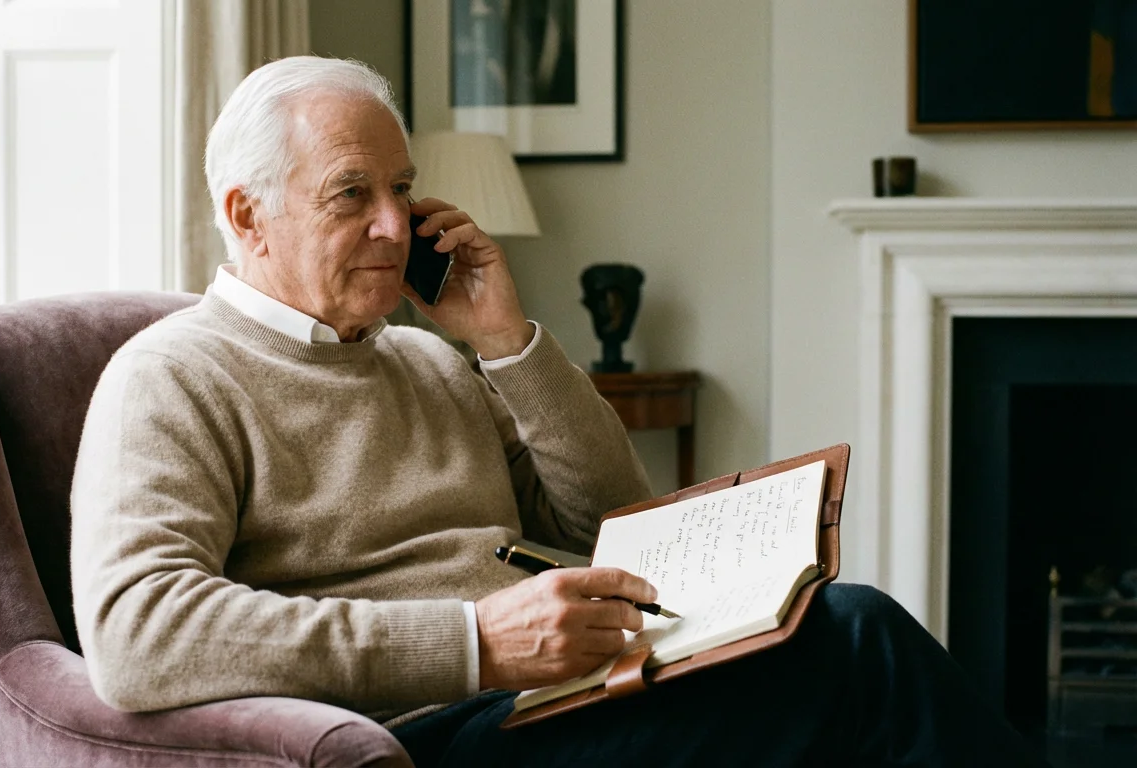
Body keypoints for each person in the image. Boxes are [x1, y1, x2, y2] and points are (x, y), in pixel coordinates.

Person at [69, 56, 1048, 767]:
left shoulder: (425, 357)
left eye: (402, 191)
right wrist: (471, 643)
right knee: (860, 651)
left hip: (557, 695)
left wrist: (504, 339)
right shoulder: (169, 376)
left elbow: (607, 524)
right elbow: (137, 632)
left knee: (839, 639)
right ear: (246, 215)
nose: (391, 225)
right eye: (350, 194)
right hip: (426, 733)